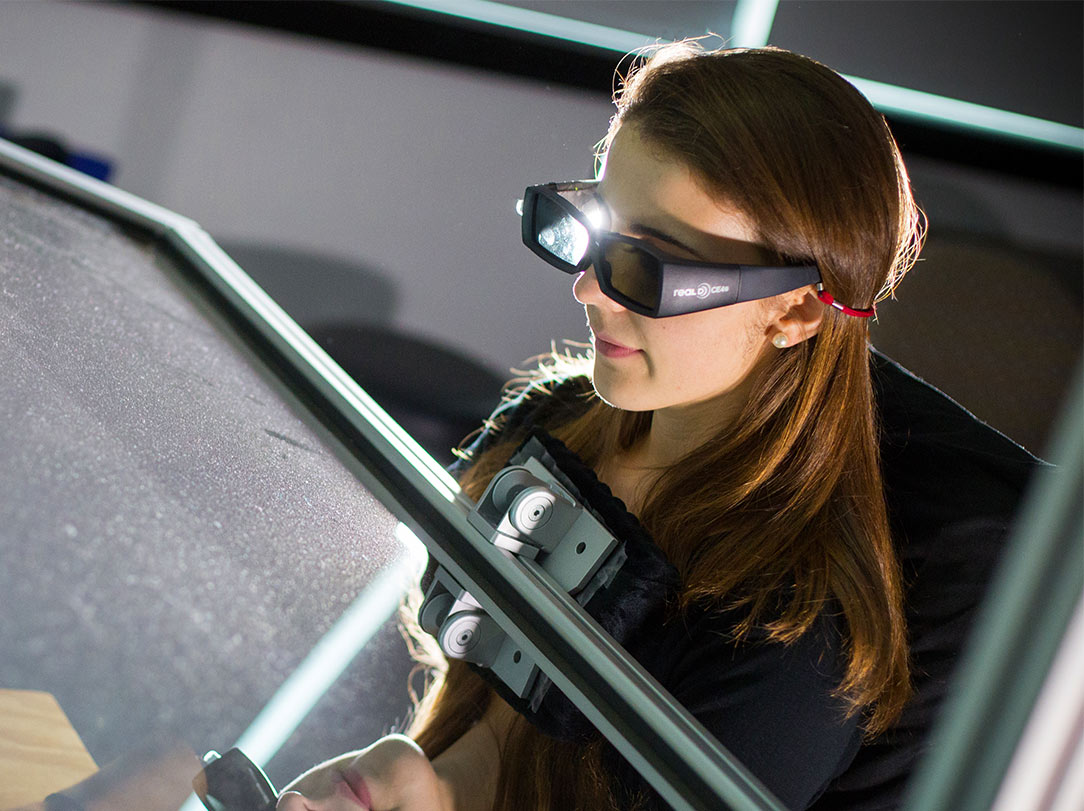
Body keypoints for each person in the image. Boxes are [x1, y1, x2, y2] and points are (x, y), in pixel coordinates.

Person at [275, 41, 1043, 811]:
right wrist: (415, 781)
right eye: (594, 235)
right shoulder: (554, 424)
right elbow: (484, 723)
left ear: (797, 310)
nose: (587, 290)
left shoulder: (785, 641)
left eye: (647, 270)